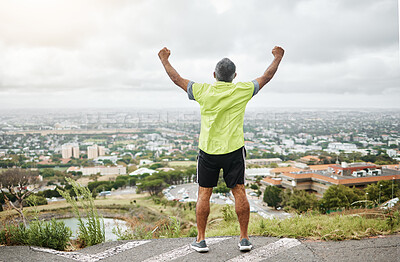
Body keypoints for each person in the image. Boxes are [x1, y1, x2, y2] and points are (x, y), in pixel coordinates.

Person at [158, 46, 284, 252]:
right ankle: (244, 238)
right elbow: (267, 76)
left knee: (204, 194)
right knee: (239, 191)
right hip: (234, 150)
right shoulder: (242, 89)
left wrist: (164, 59)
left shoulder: (202, 90)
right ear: (235, 76)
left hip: (208, 151)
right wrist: (278, 57)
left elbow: (176, 79)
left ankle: (200, 240)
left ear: (214, 75)